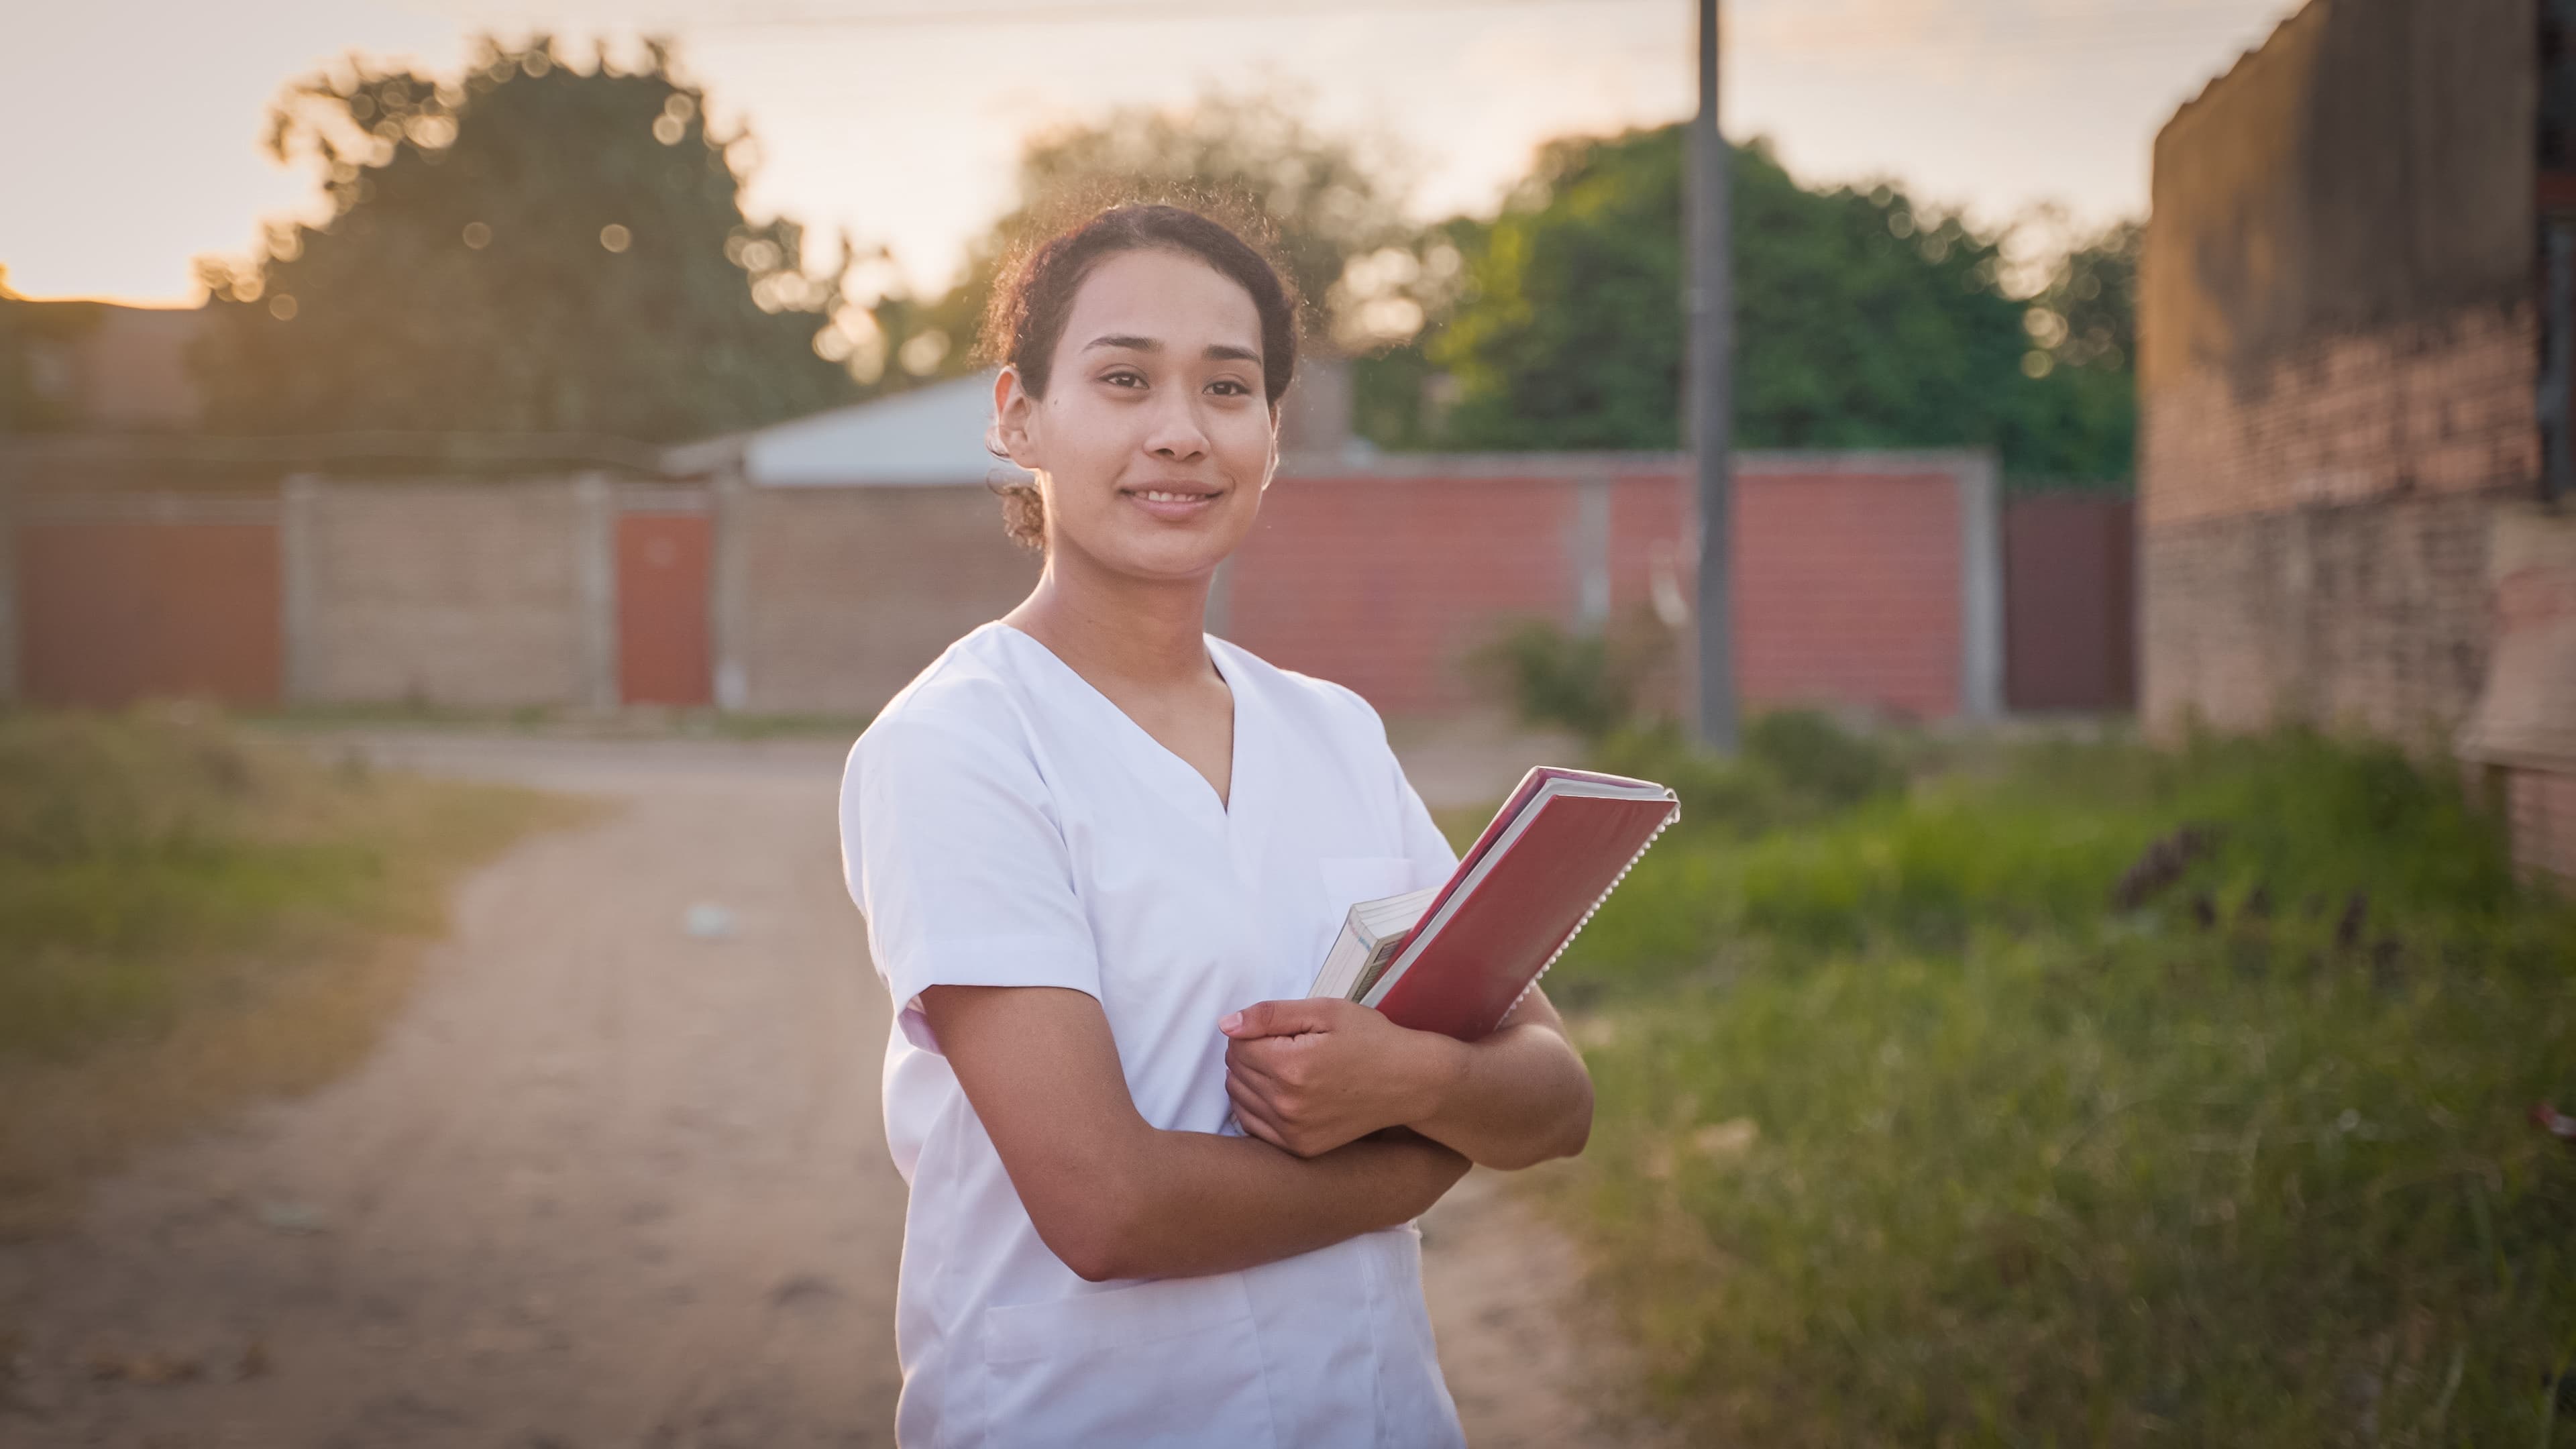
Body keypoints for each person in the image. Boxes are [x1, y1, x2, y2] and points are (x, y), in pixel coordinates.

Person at [837, 202, 1595, 1448]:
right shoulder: (961, 747)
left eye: (1228, 389)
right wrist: (1429, 1153)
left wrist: (1416, 1077)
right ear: (1017, 414)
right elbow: (1109, 1209)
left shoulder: (1336, 733)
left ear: (1273, 434)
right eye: (1124, 379)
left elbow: (1555, 1094)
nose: (1180, 433)